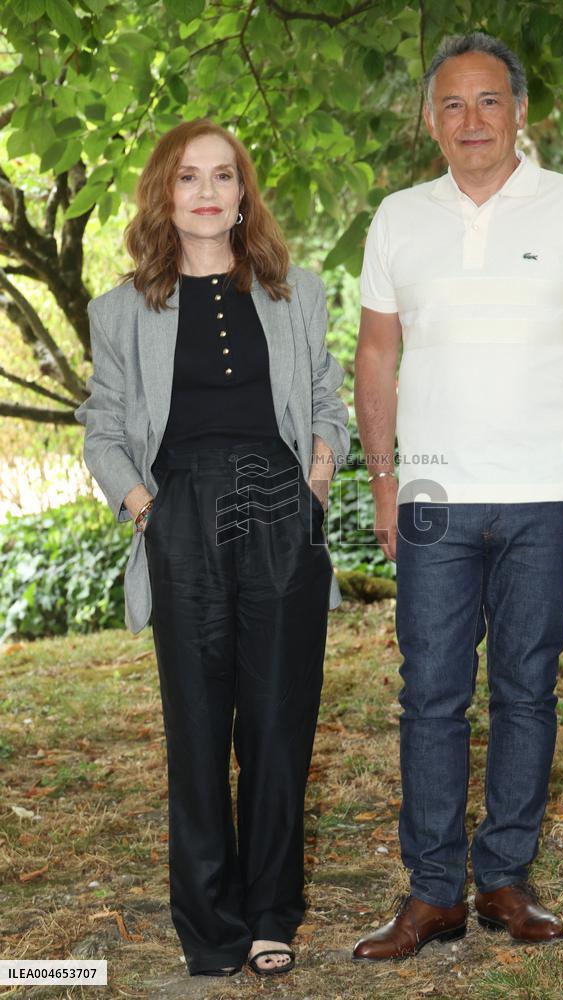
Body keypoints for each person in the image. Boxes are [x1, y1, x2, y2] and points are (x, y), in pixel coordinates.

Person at [352, 32, 563, 960]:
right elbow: (377, 356)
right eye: (451, 104)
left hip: (547, 497)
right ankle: (433, 891)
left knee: (527, 689)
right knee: (430, 695)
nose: (471, 120)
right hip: (433, 494)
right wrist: (386, 482)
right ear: (428, 119)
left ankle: (505, 879)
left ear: (519, 112)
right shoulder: (398, 217)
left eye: (488, 102)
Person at [74, 118, 349, 978]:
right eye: (187, 177)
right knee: (196, 729)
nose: (205, 192)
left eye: (222, 177)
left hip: (279, 511)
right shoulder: (121, 309)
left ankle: (271, 910)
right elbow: (103, 428)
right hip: (179, 515)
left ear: (242, 194)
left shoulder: (293, 291)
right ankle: (211, 926)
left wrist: (317, 475)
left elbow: (326, 403)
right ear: (164, 193)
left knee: (278, 723)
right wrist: (145, 505)